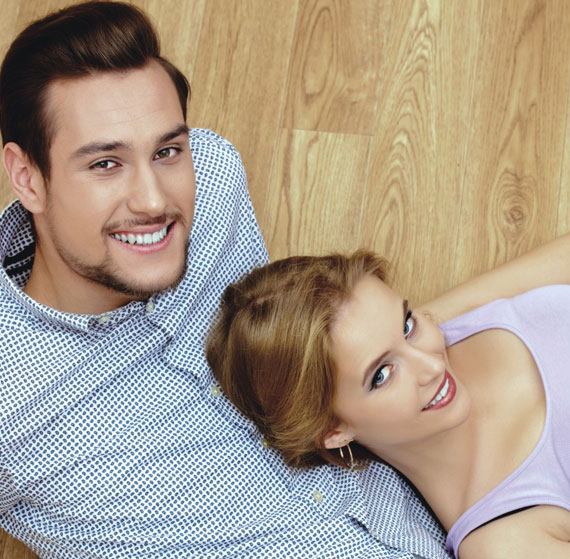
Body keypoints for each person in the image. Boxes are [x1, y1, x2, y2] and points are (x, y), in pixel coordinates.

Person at [0, 2, 451, 557]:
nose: (154, 201)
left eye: (167, 151)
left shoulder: (214, 179)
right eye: (105, 164)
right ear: (27, 177)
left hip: (450, 510)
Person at [207, 246, 570, 559]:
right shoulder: (505, 539)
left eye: (407, 324)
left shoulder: (437, 327)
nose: (432, 366)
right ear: (332, 430)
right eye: (381, 375)